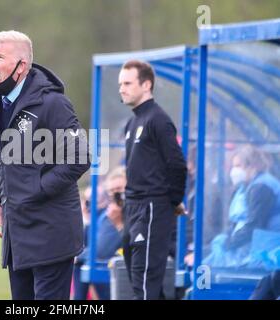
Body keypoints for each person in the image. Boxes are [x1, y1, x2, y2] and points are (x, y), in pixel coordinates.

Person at [0, 30, 90, 300]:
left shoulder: (53, 103)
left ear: (21, 66)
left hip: (52, 231)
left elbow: (80, 157)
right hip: (16, 232)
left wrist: (37, 188)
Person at [118, 60, 187, 300]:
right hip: (133, 207)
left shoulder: (158, 120)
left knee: (144, 285)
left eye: (127, 83)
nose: (122, 89)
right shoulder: (132, 122)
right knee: (146, 287)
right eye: (120, 84)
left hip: (151, 208)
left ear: (146, 84)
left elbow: (178, 165)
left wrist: (173, 201)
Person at [203, 145, 280, 268]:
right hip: (252, 245)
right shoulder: (247, 186)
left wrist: (228, 244)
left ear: (253, 167)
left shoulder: (261, 187)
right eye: (233, 166)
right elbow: (238, 221)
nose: (234, 171)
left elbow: (255, 224)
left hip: (266, 248)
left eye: (238, 166)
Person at [73, 167, 126, 300]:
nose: (116, 195)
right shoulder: (107, 214)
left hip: (117, 263)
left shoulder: (115, 214)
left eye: (119, 189)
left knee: (81, 263)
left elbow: (101, 249)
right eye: (111, 191)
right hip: (111, 262)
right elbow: (92, 241)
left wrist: (78, 257)